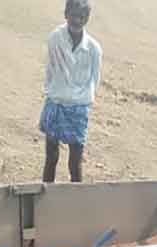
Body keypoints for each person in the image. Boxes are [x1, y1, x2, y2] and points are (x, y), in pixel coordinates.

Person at [39, 0, 102, 183]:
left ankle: (76, 202)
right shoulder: (55, 38)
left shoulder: (93, 49)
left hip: (78, 108)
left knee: (75, 162)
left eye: (81, 17)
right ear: (66, 15)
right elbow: (50, 69)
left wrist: (80, 98)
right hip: (56, 102)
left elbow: (94, 80)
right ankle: (47, 198)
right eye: (73, 15)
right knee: (51, 157)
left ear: (87, 19)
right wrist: (55, 91)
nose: (77, 20)